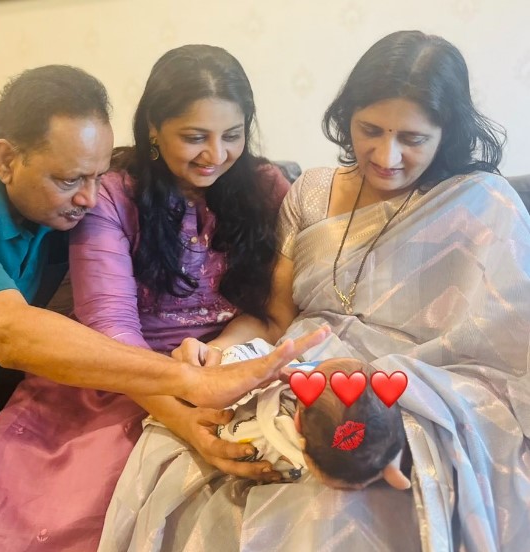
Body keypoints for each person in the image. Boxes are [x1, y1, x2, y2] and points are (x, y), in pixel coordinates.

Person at [101, 31, 530, 552]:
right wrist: (218, 352)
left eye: (413, 139)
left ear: (448, 132)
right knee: (209, 454)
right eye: (370, 130)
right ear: (347, 116)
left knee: (334, 494)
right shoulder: (311, 192)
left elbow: (512, 354)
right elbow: (274, 320)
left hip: (422, 390)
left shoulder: (482, 203)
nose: (387, 155)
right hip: (297, 371)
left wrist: (384, 397)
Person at [0, 63, 325, 552]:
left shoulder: (79, 192)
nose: (89, 198)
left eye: (98, 175)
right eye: (70, 179)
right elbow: (11, 332)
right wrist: (188, 384)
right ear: (7, 159)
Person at [211, 340, 410, 489]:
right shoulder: (339, 454)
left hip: (234, 401)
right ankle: (389, 470)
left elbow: (224, 427)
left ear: (297, 422)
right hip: (358, 467)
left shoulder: (260, 433)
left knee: (238, 357)